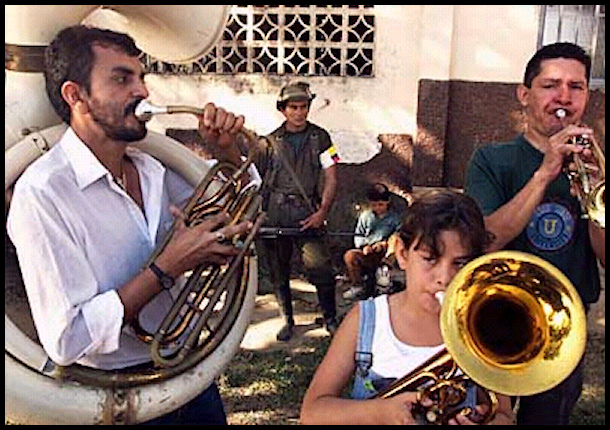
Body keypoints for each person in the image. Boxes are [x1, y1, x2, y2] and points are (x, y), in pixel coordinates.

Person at [6, 25, 261, 425]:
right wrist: (166, 268)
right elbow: (66, 339)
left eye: (141, 78)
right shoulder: (42, 194)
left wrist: (225, 149)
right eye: (122, 79)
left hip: (189, 379)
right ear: (76, 96)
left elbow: (240, 203)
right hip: (112, 399)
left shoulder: (155, 167)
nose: (142, 91)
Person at [464, 42, 605, 425]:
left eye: (576, 87)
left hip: (566, 322)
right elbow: (485, 238)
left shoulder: (597, 167)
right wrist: (546, 171)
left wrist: (595, 201)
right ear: (524, 95)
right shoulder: (492, 160)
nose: (564, 96)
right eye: (551, 85)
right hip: (496, 314)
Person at [300, 189, 515, 425]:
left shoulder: (480, 331)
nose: (445, 277)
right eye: (430, 258)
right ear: (402, 254)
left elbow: (504, 414)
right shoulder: (367, 320)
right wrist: (379, 412)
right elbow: (312, 413)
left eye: (460, 263)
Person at [254, 81, 340, 341]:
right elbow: (254, 180)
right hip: (276, 215)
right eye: (293, 107)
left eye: (304, 107)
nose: (299, 112)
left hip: (307, 214)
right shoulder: (269, 142)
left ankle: (330, 318)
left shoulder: (320, 138)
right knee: (279, 271)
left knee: (322, 269)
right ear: (283, 110)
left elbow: (332, 176)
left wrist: (322, 211)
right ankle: (287, 320)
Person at [342, 183, 402, 300]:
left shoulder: (394, 218)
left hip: (385, 252)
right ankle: (357, 285)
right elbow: (358, 234)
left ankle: (385, 275)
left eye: (381, 204)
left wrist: (384, 244)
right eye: (374, 205)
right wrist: (364, 245)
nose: (378, 208)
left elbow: (399, 234)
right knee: (350, 256)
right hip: (369, 251)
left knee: (395, 240)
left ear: (388, 202)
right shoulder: (366, 217)